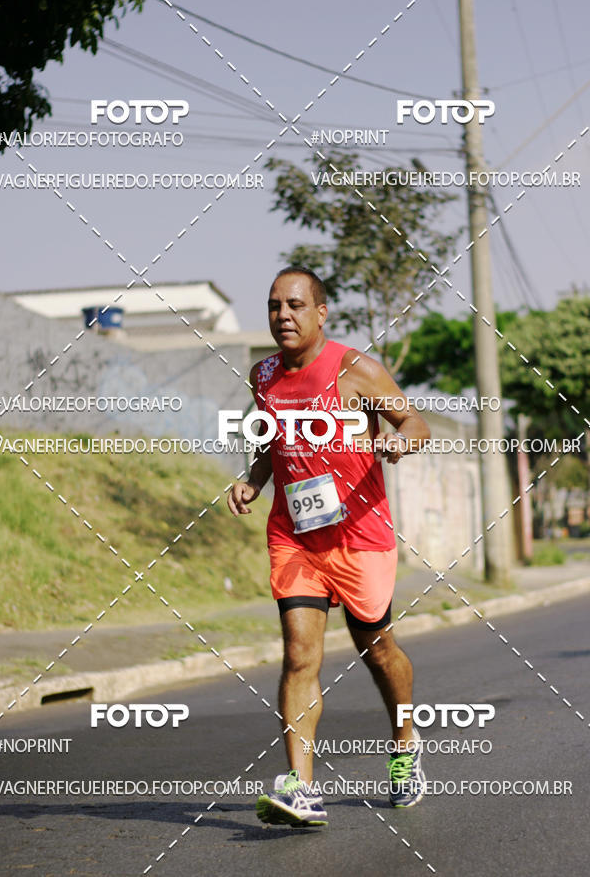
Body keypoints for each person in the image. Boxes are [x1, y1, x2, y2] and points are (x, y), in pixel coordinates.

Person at [227, 266, 431, 826]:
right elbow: (271, 441)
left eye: (295, 305)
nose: (283, 315)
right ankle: (301, 787)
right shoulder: (263, 375)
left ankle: (405, 742)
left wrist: (399, 441)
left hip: (360, 534)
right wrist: (254, 481)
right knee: (299, 654)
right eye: (274, 306)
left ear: (321, 313)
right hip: (295, 534)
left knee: (377, 649)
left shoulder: (355, 369)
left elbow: (415, 422)